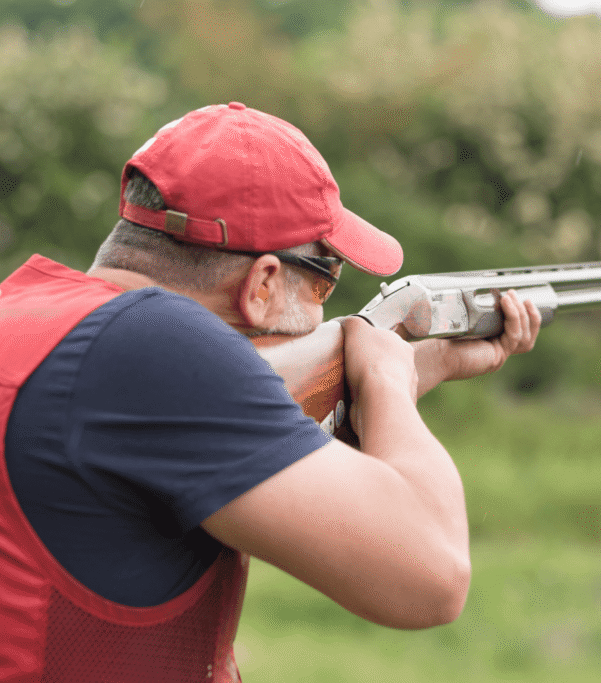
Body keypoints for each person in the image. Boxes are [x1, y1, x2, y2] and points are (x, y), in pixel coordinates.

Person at [0, 102, 542, 682]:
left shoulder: (26, 311)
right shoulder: (163, 345)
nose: (326, 302)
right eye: (323, 277)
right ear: (261, 283)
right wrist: (386, 379)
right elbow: (432, 577)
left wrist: (422, 365)